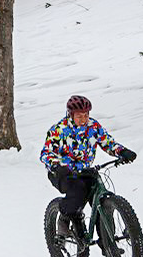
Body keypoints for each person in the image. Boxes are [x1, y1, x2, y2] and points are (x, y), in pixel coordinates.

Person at [40, 95, 137, 241]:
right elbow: (46, 153)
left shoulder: (93, 127)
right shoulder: (58, 130)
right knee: (78, 190)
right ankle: (64, 219)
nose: (84, 119)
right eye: (79, 116)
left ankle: (108, 244)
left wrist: (122, 152)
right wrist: (57, 165)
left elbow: (107, 142)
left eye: (86, 115)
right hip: (62, 172)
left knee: (100, 198)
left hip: (84, 170)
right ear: (70, 115)